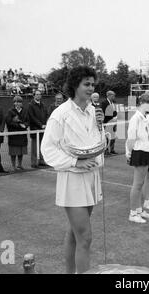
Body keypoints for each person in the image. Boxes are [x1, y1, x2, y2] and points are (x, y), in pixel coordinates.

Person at [41, 65, 105, 273]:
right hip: (73, 181)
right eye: (86, 84)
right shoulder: (61, 114)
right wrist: (75, 162)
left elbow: (97, 143)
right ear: (75, 85)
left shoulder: (93, 111)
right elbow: (47, 149)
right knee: (85, 237)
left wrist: (101, 126)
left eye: (93, 84)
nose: (91, 88)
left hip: (91, 178)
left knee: (74, 233)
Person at [126, 93, 149, 224]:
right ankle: (133, 213)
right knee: (137, 184)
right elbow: (131, 138)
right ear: (143, 103)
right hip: (139, 152)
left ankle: (139, 210)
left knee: (141, 183)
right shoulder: (136, 118)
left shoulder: (143, 116)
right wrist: (129, 153)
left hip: (145, 151)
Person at [6, 96, 29, 171]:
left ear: (21, 103)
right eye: (15, 102)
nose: (17, 103)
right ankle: (13, 166)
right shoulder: (10, 111)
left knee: (21, 151)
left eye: (19, 102)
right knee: (13, 151)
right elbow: (9, 122)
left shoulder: (25, 110)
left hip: (22, 134)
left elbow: (28, 121)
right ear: (14, 103)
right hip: (13, 135)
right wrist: (19, 125)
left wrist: (25, 125)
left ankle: (19, 164)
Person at [28, 89, 48, 168]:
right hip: (35, 129)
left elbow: (46, 114)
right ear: (34, 96)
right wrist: (40, 125)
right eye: (37, 94)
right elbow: (32, 117)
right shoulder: (30, 105)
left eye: (39, 94)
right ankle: (34, 162)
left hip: (43, 129)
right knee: (35, 147)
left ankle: (41, 161)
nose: (38, 95)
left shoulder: (43, 105)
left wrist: (45, 124)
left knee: (42, 146)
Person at [101, 90, 117, 155]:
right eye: (113, 95)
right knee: (107, 137)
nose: (114, 97)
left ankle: (112, 149)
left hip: (113, 122)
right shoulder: (104, 103)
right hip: (107, 122)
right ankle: (106, 150)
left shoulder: (113, 103)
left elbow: (114, 111)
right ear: (109, 96)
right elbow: (104, 112)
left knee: (113, 136)